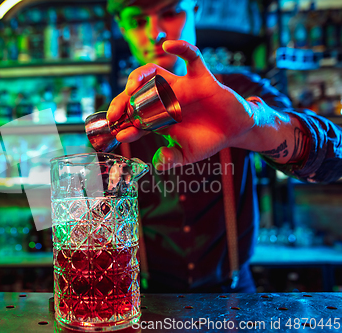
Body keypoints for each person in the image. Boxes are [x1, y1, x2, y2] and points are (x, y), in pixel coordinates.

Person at [105, 0, 342, 293]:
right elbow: (87, 219)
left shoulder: (240, 91)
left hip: (235, 296)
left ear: (196, 10)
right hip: (149, 299)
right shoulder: (115, 120)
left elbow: (334, 158)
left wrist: (256, 124)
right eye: (138, 21)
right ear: (121, 27)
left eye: (170, 13)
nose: (155, 33)